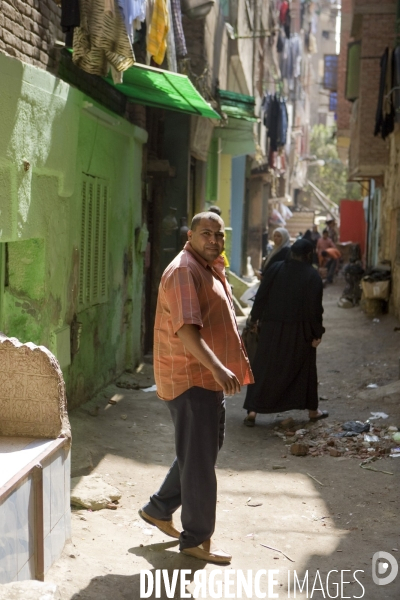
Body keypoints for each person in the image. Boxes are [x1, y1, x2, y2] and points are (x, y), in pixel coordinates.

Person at [140, 211, 253, 564]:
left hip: (202, 377)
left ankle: (159, 508)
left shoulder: (207, 266)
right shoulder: (185, 271)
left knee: (200, 450)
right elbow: (187, 330)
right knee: (201, 460)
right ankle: (196, 539)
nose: (214, 241)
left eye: (219, 235)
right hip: (192, 377)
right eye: (206, 234)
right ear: (191, 235)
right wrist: (219, 369)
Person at [243, 239, 327, 426]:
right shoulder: (312, 276)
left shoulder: (275, 268)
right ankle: (313, 411)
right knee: (304, 368)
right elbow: (315, 310)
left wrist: (254, 319)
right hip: (300, 331)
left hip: (271, 328)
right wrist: (317, 333)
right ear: (308, 255)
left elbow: (261, 295)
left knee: (263, 367)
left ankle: (252, 412)